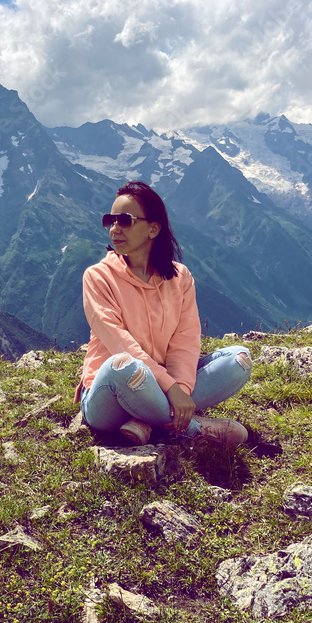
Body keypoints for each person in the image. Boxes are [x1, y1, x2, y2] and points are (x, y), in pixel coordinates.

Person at [75, 181, 253, 446]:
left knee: (239, 359)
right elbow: (118, 342)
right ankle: (192, 428)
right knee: (121, 365)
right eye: (110, 220)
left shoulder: (180, 278)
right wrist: (172, 390)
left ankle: (146, 420)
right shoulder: (98, 277)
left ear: (153, 228)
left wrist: (180, 388)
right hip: (109, 393)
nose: (114, 229)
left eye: (125, 220)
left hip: (157, 387)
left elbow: (185, 340)